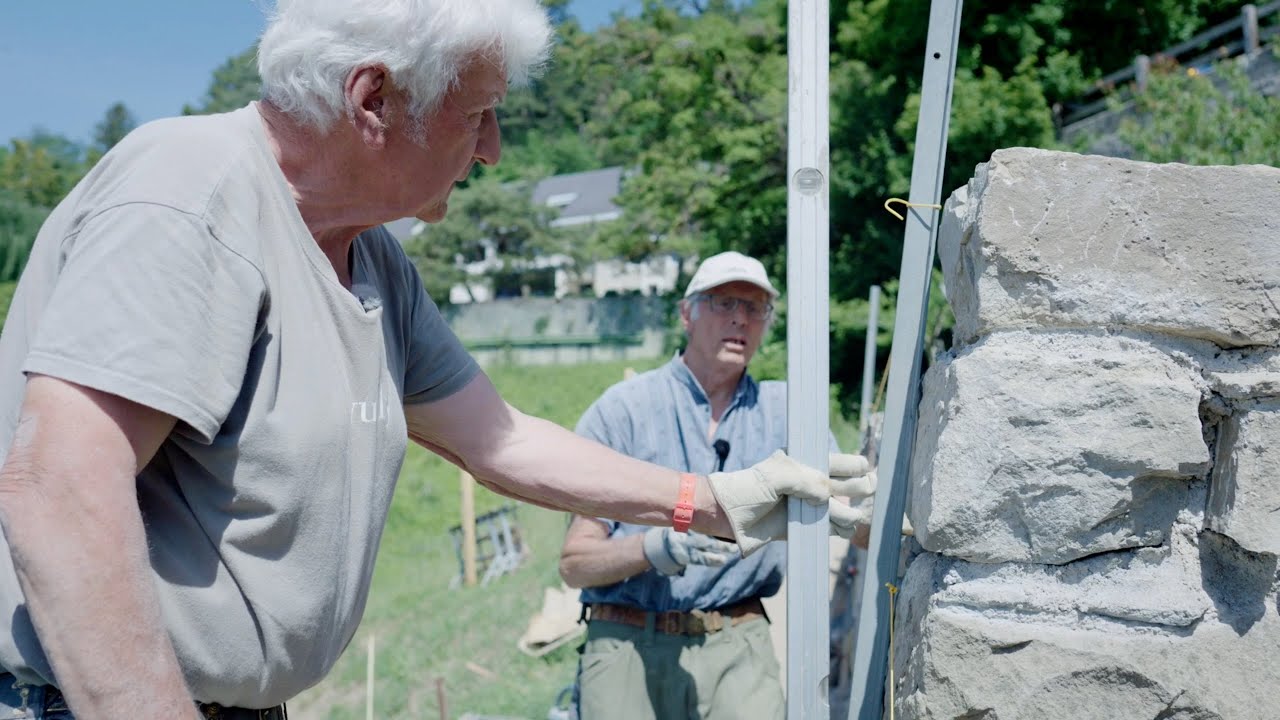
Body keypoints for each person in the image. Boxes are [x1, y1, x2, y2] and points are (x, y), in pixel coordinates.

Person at [0, 2, 873, 718]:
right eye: (478, 113)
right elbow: (60, 491)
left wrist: (714, 501)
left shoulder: (372, 259)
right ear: (373, 98)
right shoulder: (189, 194)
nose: (493, 148)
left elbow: (501, 440)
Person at [559, 252, 876, 720]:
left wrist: (891, 511)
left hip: (737, 640)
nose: (740, 319)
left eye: (755, 308)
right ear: (686, 314)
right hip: (628, 642)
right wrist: (651, 548)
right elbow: (575, 564)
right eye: (724, 302)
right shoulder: (624, 411)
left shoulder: (789, 411)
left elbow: (853, 518)